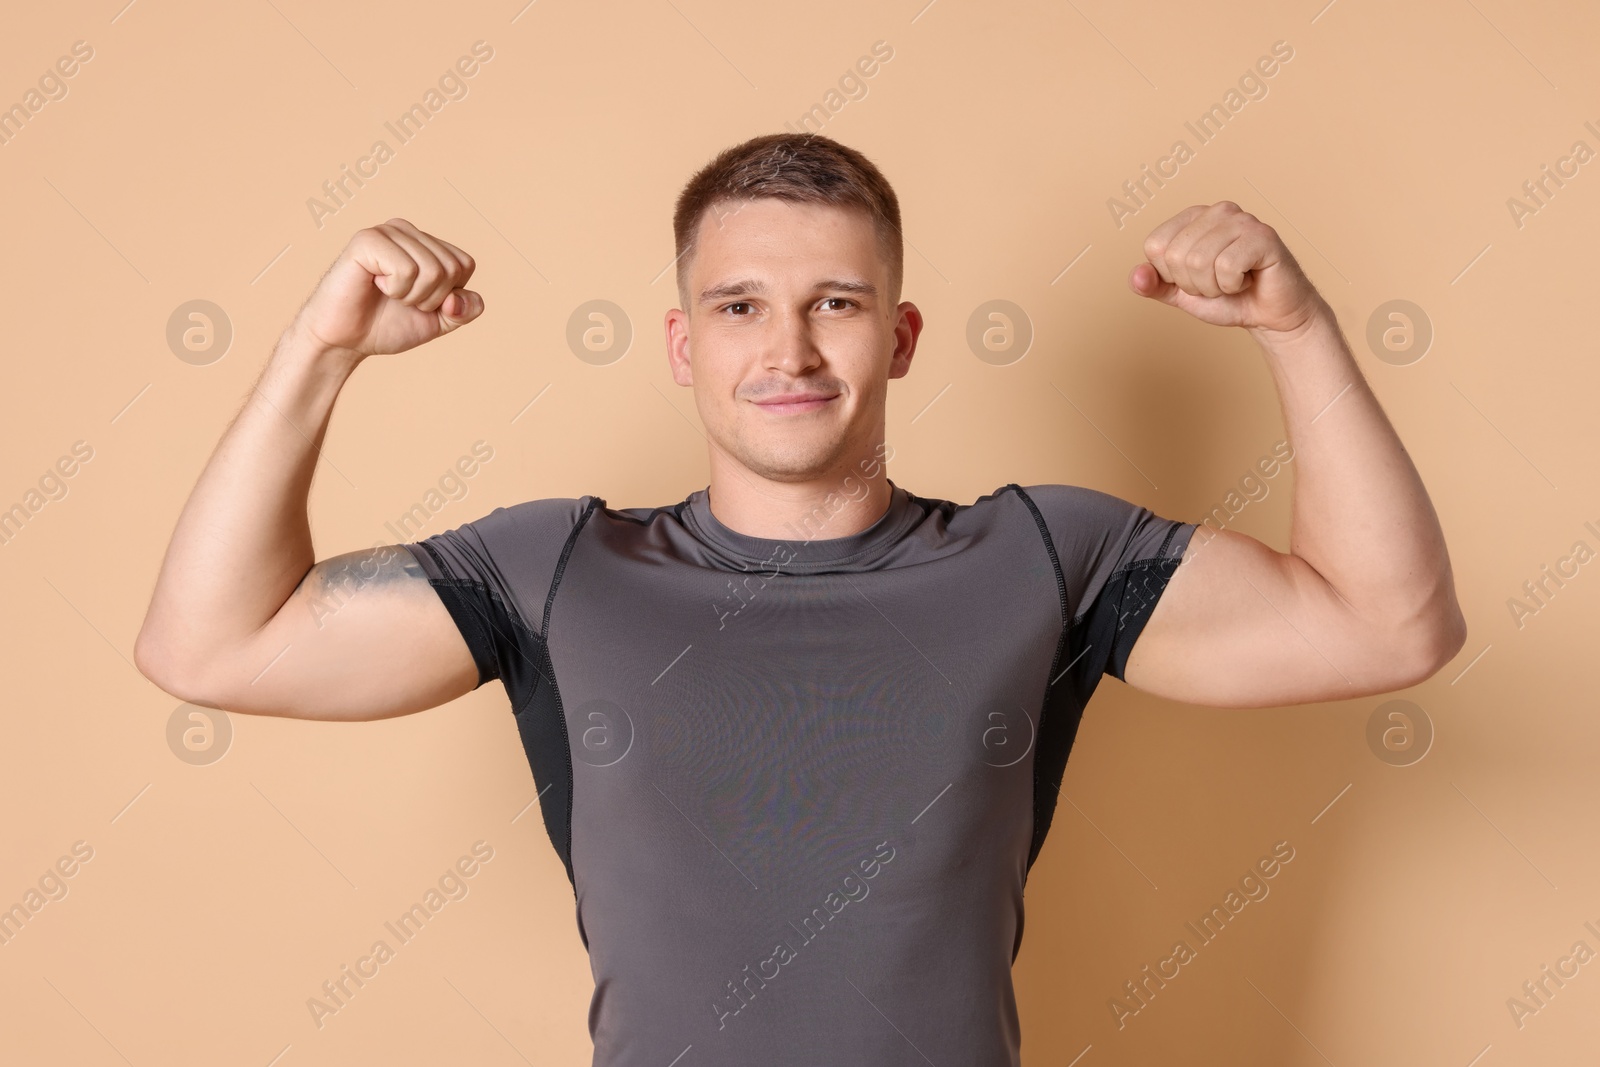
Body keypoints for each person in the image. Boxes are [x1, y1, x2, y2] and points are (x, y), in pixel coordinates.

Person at [134, 132, 1466, 1064]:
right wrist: (319, 353)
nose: (787, 349)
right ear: (681, 343)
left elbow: (1391, 623)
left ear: (897, 336)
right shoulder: (552, 570)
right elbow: (209, 647)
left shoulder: (1046, 558)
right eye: (738, 307)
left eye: (834, 302)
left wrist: (1296, 327)